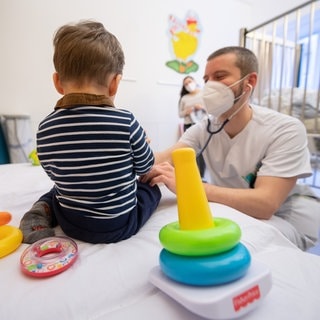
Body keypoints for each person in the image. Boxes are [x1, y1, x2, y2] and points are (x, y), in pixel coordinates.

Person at [142, 46, 320, 251]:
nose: (210, 86)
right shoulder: (205, 127)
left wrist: (190, 187)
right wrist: (131, 147)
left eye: (220, 76)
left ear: (249, 82)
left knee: (232, 245)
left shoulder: (285, 129)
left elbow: (265, 204)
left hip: (286, 215)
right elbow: (165, 157)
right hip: (236, 207)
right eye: (207, 79)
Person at [19, 20, 161, 244]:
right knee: (150, 189)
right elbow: (145, 167)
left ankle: (43, 209)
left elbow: (54, 173)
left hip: (71, 223)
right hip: (119, 225)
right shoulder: (126, 121)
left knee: (58, 191)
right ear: (115, 84)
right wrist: (142, 142)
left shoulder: (45, 127)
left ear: (57, 82)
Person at [178, 76, 206, 177]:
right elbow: (180, 114)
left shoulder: (203, 93)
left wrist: (201, 107)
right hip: (188, 125)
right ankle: (193, 174)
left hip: (202, 126)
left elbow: (211, 109)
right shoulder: (184, 98)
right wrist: (187, 111)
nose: (188, 85)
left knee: (202, 152)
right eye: (185, 84)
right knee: (190, 151)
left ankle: (201, 176)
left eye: (189, 82)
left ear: (194, 81)